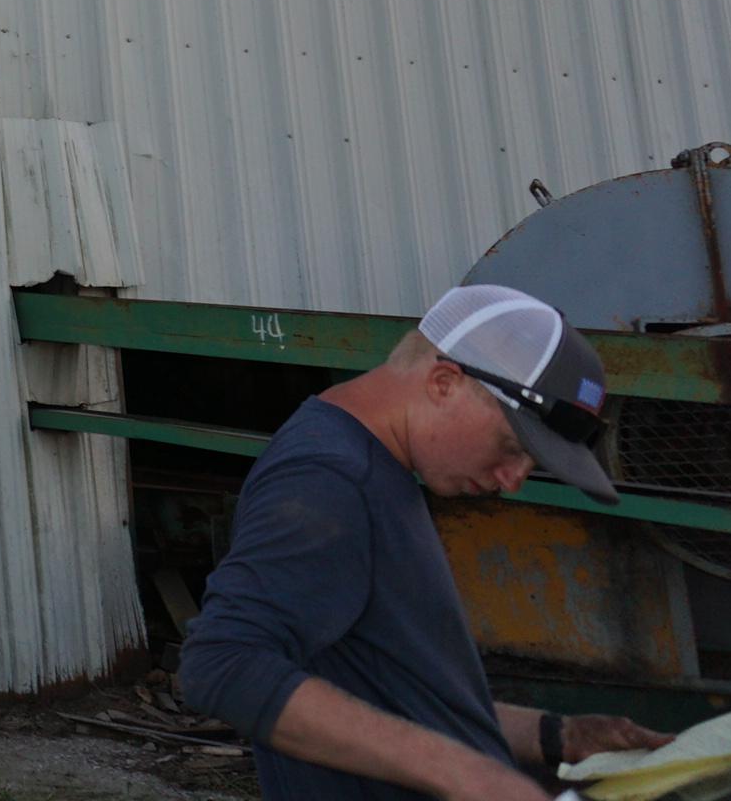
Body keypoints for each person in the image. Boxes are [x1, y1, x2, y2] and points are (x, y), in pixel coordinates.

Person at [180, 284, 672, 800]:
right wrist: (473, 777)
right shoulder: (329, 479)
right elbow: (224, 664)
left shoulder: (372, 469)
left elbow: (384, 694)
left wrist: (555, 736)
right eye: (513, 446)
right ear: (443, 382)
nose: (513, 479)